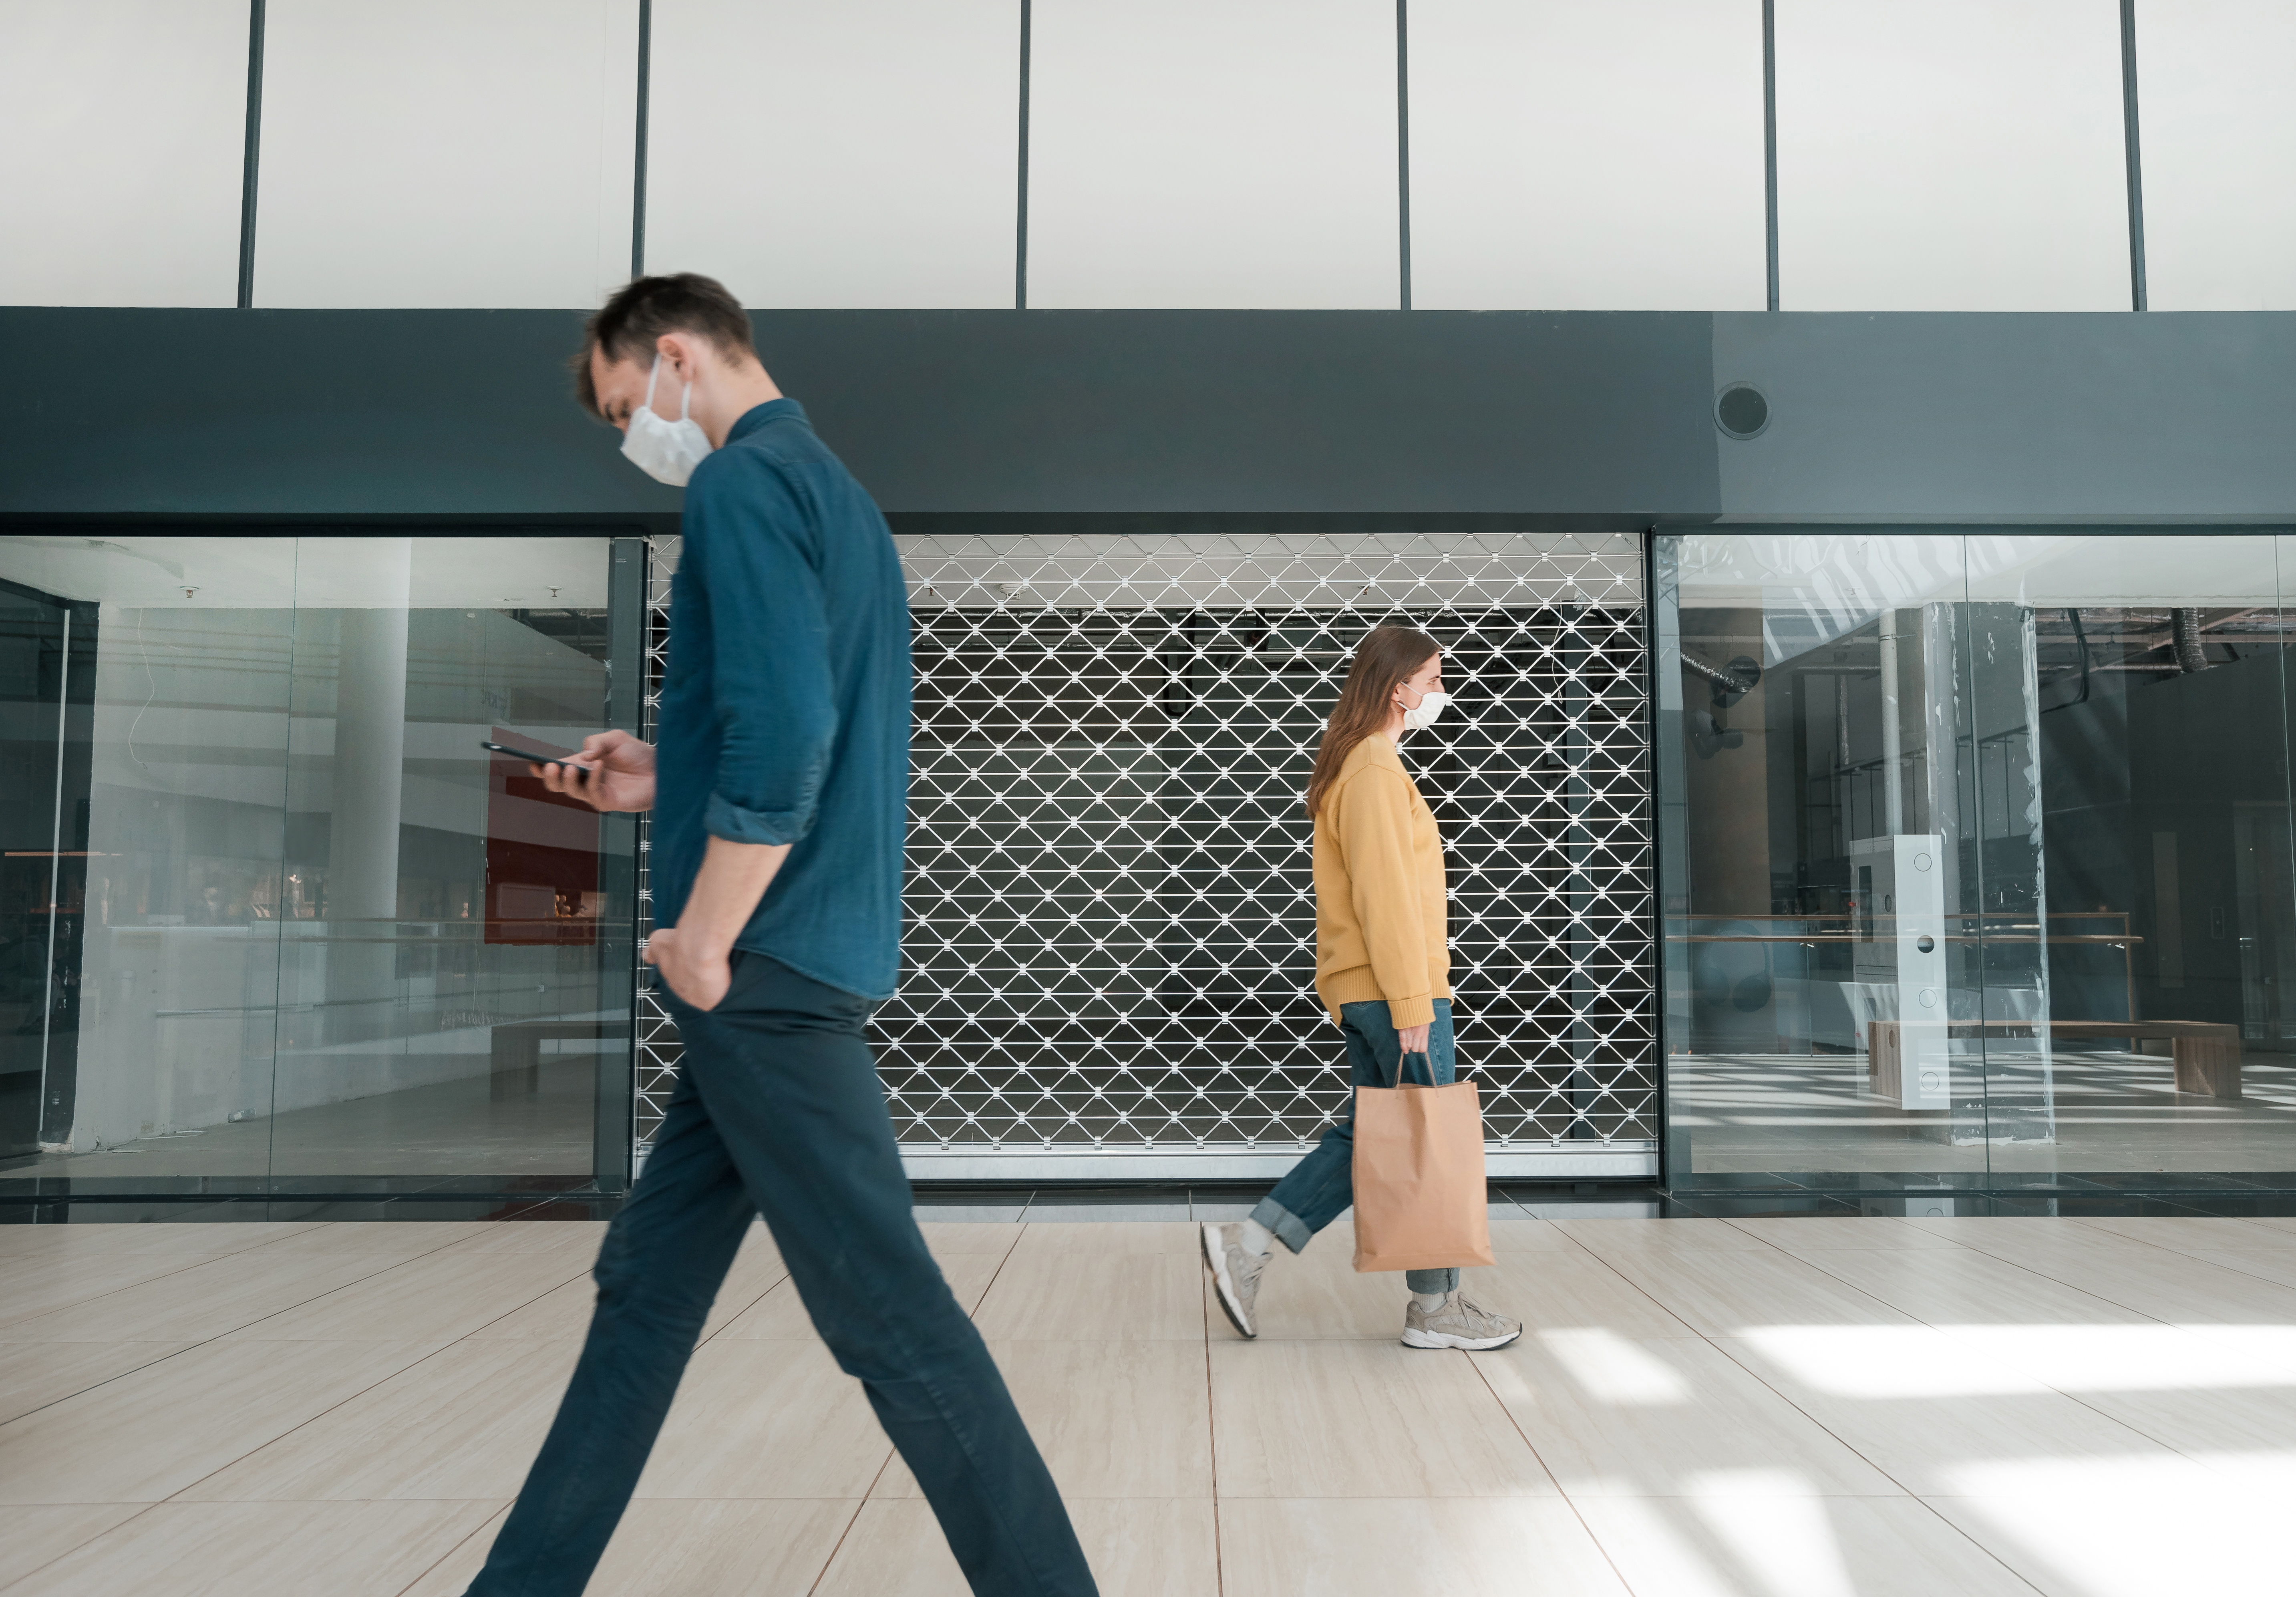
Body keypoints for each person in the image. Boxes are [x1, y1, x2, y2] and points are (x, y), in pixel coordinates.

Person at [463, 274, 1096, 1597]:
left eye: (631, 408)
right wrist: (657, 774)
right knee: (646, 1288)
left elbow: (793, 743)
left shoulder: (740, 488)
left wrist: (703, 941)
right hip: (795, 962)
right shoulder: (841, 501)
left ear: (679, 358)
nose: (639, 437)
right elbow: (799, 723)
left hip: (761, 972)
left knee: (892, 1322)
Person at [1201, 624, 1523, 1351]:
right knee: (1426, 1140)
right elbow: (1386, 898)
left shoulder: (1360, 763)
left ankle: (1247, 1245)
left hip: (1370, 988)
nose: (1442, 693)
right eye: (1435, 680)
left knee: (1376, 1136)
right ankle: (1436, 1309)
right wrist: (1415, 1004)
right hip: (1397, 991)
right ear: (1398, 688)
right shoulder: (1375, 769)